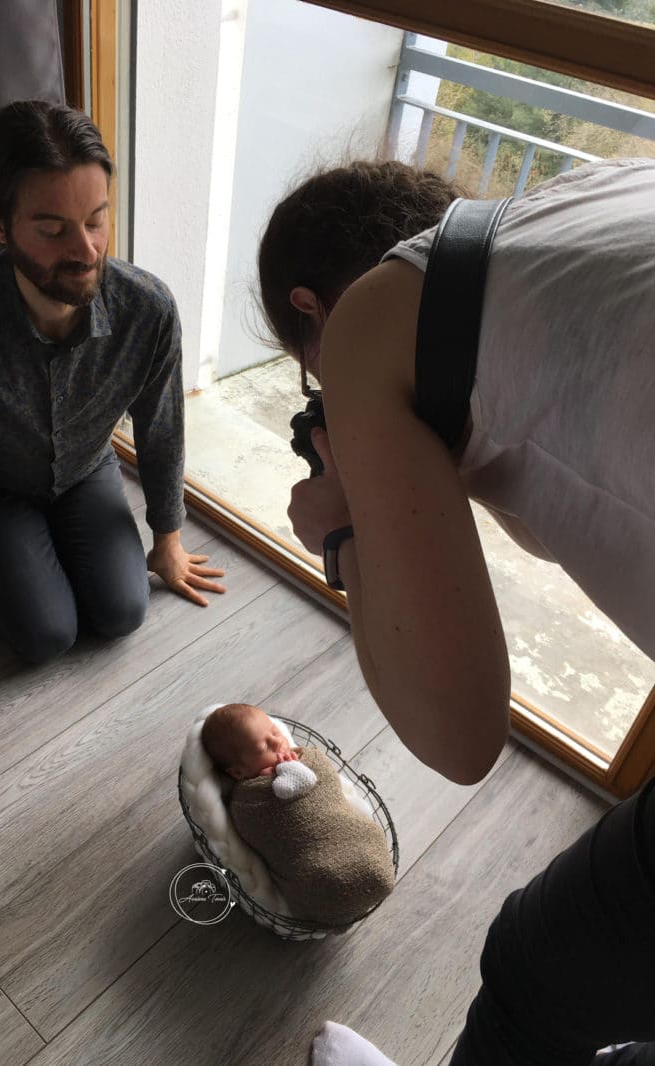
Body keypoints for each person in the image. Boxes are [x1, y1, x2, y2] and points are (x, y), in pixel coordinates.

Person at [257, 158, 655, 1063]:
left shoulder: (366, 329)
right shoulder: (565, 205)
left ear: (315, 313)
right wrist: (413, 469)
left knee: (539, 967)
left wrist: (348, 527)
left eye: (308, 378)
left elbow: (460, 735)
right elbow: (553, 527)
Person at [0, 100, 225, 678]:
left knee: (125, 611)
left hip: (85, 470)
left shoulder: (146, 309)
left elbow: (162, 431)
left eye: (97, 219)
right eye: (53, 230)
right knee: (44, 635)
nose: (87, 249)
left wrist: (169, 540)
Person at [201, 703, 394, 925]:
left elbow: (323, 777)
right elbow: (254, 830)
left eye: (274, 732)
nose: (278, 742)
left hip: (345, 835)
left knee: (365, 836)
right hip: (312, 868)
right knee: (318, 874)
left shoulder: (304, 758)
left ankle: (372, 871)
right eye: (264, 747)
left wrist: (299, 768)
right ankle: (332, 900)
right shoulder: (249, 801)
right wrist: (272, 782)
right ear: (238, 772)